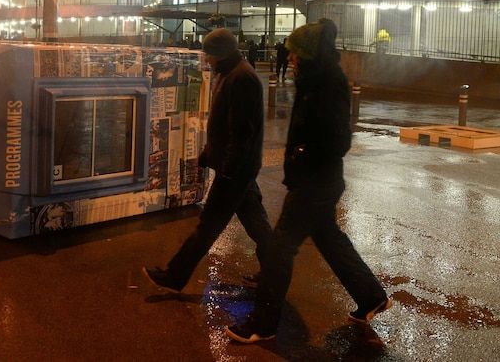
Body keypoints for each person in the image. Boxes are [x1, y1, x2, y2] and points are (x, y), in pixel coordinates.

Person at [226, 18, 391, 344]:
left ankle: (264, 322)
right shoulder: (314, 78)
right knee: (330, 240)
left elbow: (339, 140)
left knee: (279, 250)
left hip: (315, 182)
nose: (289, 58)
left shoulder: (329, 82)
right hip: (316, 180)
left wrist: (303, 155)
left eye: (295, 53)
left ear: (309, 54)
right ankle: (371, 296)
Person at [143, 28, 273, 294]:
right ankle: (276, 271)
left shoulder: (241, 78)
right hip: (235, 166)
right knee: (257, 225)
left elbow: (241, 132)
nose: (206, 60)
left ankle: (175, 276)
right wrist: (208, 155)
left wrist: (228, 170)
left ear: (221, 53)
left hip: (235, 169)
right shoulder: (231, 73)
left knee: (208, 225)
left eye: (209, 54)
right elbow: (224, 127)